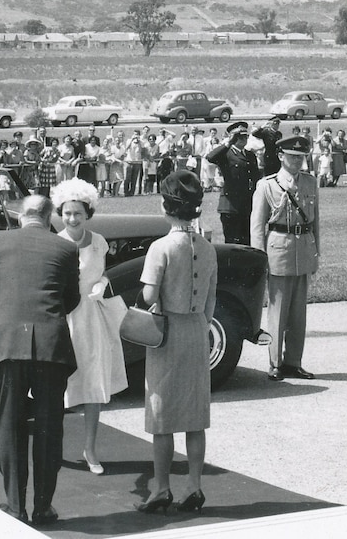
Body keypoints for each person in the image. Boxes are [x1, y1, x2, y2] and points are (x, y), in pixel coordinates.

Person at [0, 194, 80, 526]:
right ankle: (43, 506)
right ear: (50, 218)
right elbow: (71, 298)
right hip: (51, 346)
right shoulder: (65, 248)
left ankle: (15, 506)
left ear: (21, 216)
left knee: (9, 425)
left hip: (7, 344)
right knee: (49, 428)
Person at [136, 170, 217, 515]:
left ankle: (161, 488)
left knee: (162, 415)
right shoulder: (209, 248)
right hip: (197, 330)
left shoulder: (160, 248)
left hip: (167, 333)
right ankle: (195, 486)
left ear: (166, 206)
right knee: (195, 416)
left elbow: (149, 294)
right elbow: (211, 302)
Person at [52, 178, 128, 476]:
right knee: (62, 385)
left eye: (78, 214)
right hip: (66, 319)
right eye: (67, 213)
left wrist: (102, 283)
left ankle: (90, 448)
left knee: (94, 384)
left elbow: (102, 272)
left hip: (92, 318)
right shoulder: (56, 242)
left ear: (88, 214)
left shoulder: (98, 241)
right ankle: (54, 447)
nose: (72, 219)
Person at [250, 136, 319, 382]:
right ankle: (275, 363)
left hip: (303, 250)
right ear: (280, 156)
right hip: (278, 250)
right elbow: (257, 227)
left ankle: (294, 362)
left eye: (301, 157)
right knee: (278, 312)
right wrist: (259, 259)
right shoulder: (268, 185)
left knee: (299, 313)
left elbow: (314, 222)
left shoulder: (310, 183)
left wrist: (315, 252)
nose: (298, 161)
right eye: (293, 156)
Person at [205, 121, 261, 245]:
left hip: (247, 204)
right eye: (238, 137)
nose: (242, 139)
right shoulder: (226, 153)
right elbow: (210, 157)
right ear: (232, 137)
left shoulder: (250, 155)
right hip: (230, 205)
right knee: (232, 243)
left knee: (247, 241)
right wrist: (228, 143)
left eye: (244, 136)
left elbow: (256, 177)